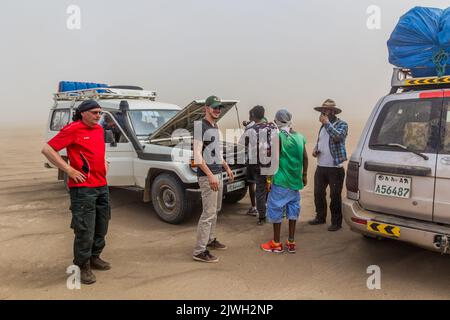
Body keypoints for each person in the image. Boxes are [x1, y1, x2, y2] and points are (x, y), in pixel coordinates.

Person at [41, 100, 111, 285]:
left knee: (102, 224)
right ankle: (82, 265)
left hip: (101, 185)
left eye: (100, 112)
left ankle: (95, 257)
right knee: (85, 228)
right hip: (83, 189)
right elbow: (47, 149)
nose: (98, 116)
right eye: (95, 112)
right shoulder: (73, 129)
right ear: (83, 113)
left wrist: (105, 161)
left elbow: (98, 151)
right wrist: (69, 170)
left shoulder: (98, 129)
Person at [192, 95, 234, 263]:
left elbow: (216, 152)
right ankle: (199, 251)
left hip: (218, 173)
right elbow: (196, 155)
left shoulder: (215, 126)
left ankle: (210, 240)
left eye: (219, 108)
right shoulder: (199, 126)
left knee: (215, 210)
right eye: (214, 107)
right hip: (207, 176)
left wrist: (226, 167)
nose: (217, 110)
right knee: (208, 214)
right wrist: (210, 175)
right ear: (206, 108)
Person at [261, 109, 308, 254]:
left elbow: (273, 159)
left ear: (278, 121)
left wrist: (268, 178)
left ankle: (276, 243)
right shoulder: (300, 137)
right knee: (293, 209)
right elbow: (305, 158)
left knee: (276, 209)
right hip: (295, 182)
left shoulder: (279, 137)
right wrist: (304, 175)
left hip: (281, 181)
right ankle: (291, 242)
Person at [308, 99, 348, 231]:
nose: (323, 113)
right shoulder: (322, 126)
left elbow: (338, 137)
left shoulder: (342, 124)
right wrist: (315, 149)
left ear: (333, 112)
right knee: (318, 193)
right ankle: (320, 217)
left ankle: (336, 222)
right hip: (321, 166)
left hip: (335, 168)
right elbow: (322, 140)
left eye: (326, 111)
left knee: (334, 196)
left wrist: (326, 123)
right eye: (322, 111)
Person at [240, 105, 277, 225]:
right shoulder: (272, 126)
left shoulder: (251, 130)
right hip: (272, 163)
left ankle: (262, 216)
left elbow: (241, 144)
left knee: (260, 191)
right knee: (270, 188)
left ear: (253, 116)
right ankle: (272, 212)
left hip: (258, 165)